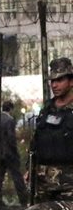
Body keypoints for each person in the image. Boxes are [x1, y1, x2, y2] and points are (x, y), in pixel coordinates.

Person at [32, 57, 73, 202]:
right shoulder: (47, 109)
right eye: (52, 81)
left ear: (71, 81)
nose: (54, 85)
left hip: (69, 183)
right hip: (44, 183)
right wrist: (30, 169)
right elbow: (36, 141)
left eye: (60, 80)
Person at [0, 100, 27, 207]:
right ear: (11, 109)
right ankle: (23, 200)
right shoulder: (10, 120)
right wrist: (15, 151)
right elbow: (11, 138)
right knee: (17, 176)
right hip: (9, 152)